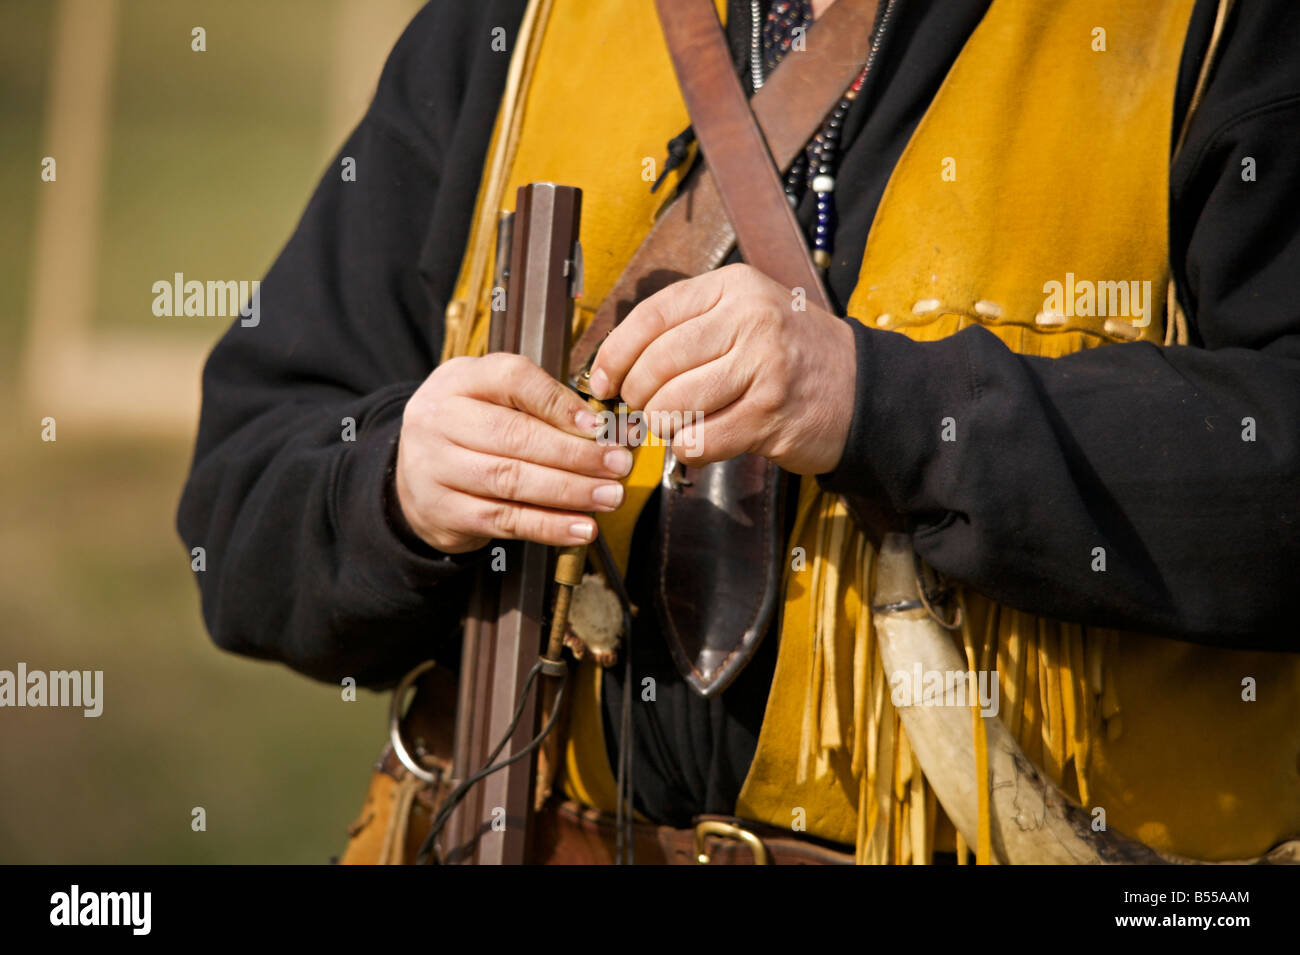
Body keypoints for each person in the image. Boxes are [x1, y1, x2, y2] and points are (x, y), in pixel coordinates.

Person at [178, 0, 1300, 864]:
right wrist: (397, 491)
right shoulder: (509, 25)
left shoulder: (1225, 31)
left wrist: (886, 406)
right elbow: (238, 509)